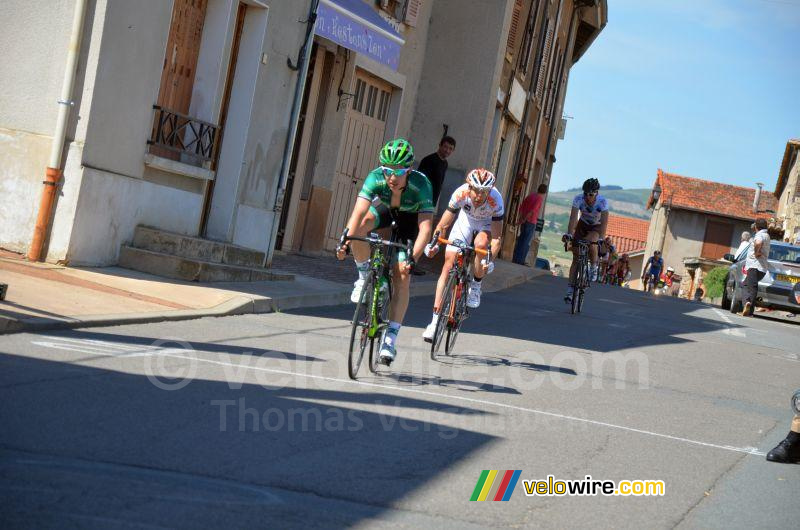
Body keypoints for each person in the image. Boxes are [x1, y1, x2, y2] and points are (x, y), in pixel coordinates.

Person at [336, 138, 433, 365]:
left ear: (409, 169)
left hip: (410, 221)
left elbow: (426, 228)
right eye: (387, 170)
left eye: (398, 171)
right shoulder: (375, 177)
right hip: (386, 211)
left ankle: (390, 338)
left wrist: (413, 257)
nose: (392, 177)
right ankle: (363, 275)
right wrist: (345, 240)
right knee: (358, 229)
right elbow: (358, 212)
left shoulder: (422, 184)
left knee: (401, 274)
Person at [422, 169, 503, 341]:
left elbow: (496, 238)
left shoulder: (496, 200)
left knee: (480, 245)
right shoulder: (460, 193)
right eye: (475, 190)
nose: (479, 196)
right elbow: (443, 224)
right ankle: (435, 321)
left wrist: (491, 258)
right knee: (448, 265)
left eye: (484, 192)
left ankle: (476, 285)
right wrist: (435, 243)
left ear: (489, 191)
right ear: (469, 187)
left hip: (485, 225)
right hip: (464, 221)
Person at [561, 178, 609, 303]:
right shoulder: (578, 199)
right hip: (582, 224)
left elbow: (604, 223)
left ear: (596, 193)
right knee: (576, 258)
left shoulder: (602, 202)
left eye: (591, 194)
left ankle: (593, 266)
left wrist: (601, 238)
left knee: (592, 241)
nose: (587, 197)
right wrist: (570, 234)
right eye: (586, 194)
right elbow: (573, 219)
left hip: (596, 227)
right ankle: (570, 290)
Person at [417, 136, 456, 209]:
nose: (447, 150)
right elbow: (420, 182)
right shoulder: (428, 160)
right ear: (440, 145)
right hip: (421, 202)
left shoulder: (445, 163)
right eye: (445, 147)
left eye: (450, 149)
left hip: (432, 202)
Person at [741, 217, 771, 317]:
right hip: (762, 268)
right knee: (746, 284)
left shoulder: (760, 235)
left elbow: (758, 242)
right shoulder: (767, 235)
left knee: (752, 287)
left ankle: (749, 308)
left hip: (754, 266)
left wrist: (757, 252)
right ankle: (747, 303)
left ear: (757, 226)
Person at [512, 184, 547, 265]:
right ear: (545, 192)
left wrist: (521, 219)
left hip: (524, 221)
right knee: (526, 242)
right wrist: (525, 219)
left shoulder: (530, 196)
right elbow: (533, 211)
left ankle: (515, 258)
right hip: (531, 222)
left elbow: (521, 207)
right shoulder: (539, 199)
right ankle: (520, 260)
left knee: (521, 239)